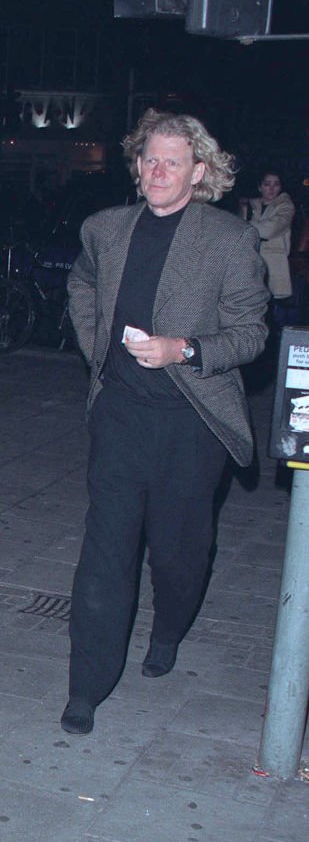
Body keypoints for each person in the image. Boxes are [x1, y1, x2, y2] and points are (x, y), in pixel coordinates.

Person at [61, 109, 268, 736]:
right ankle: (86, 687)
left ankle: (170, 627)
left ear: (198, 171)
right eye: (149, 158)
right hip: (121, 413)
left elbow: (252, 332)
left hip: (191, 421)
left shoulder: (228, 240)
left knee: (180, 552)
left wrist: (184, 349)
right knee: (106, 549)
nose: (157, 170)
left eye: (172, 161)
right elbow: (82, 284)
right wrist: (97, 345)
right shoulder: (105, 228)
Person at [239, 172, 294, 301]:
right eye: (267, 184)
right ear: (260, 187)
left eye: (276, 184)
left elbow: (270, 229)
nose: (271, 188)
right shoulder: (250, 205)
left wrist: (245, 225)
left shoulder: (286, 206)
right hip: (250, 262)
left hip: (274, 266)